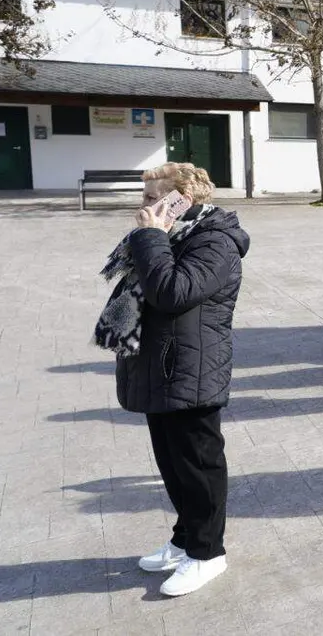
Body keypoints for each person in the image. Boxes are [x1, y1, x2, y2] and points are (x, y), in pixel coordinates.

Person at [94, 162, 249, 597]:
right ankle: (185, 539)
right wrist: (153, 239)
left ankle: (207, 553)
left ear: (182, 200)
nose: (142, 207)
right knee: (172, 464)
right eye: (143, 197)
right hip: (162, 365)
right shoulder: (174, 235)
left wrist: (151, 237)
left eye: (151, 198)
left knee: (197, 466)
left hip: (192, 369)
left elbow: (172, 292)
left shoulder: (214, 241)